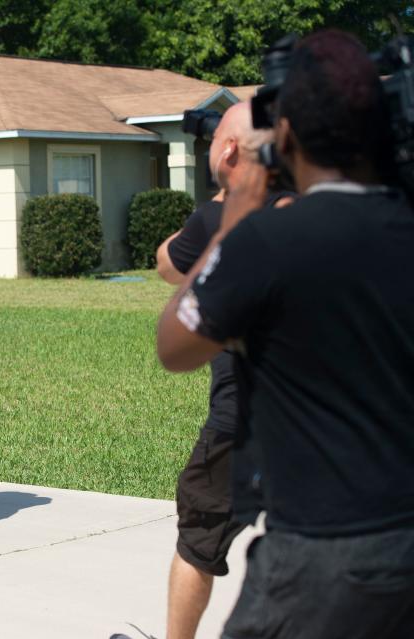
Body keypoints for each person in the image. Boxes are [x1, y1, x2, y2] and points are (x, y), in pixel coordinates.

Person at [156, 30, 414, 638]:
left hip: (322, 555)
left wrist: (239, 211)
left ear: (287, 136)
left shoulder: (269, 243)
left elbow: (176, 345)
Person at [155, 102, 291, 639]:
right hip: (327, 425)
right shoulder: (320, 215)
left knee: (199, 540)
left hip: (240, 424)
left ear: (229, 150)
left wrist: (219, 210)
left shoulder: (220, 219)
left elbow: (168, 265)